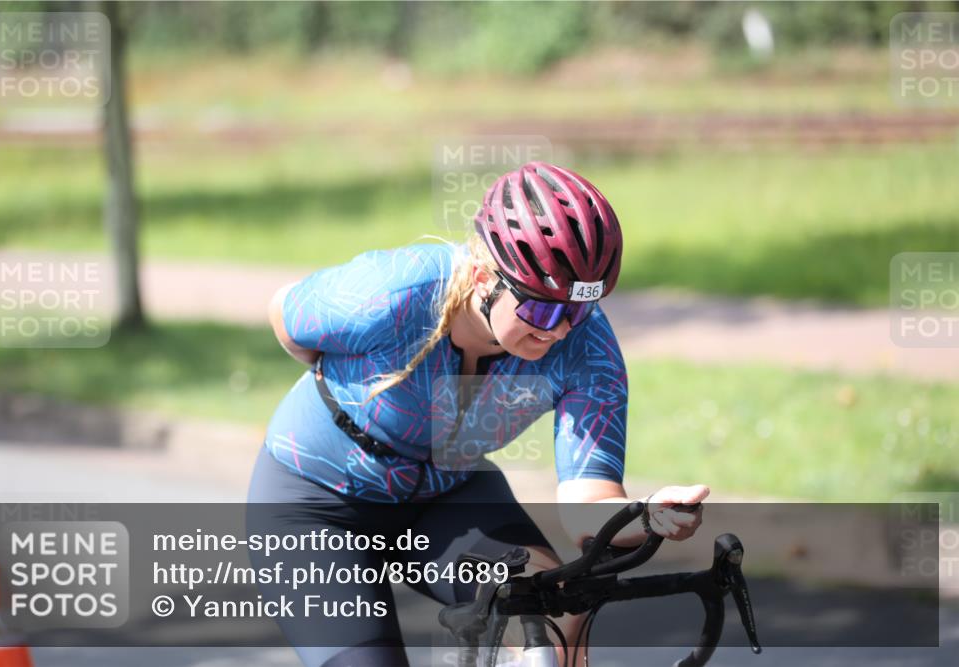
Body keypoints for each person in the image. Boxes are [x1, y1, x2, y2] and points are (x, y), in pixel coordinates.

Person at [247, 161, 709, 667]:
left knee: (552, 622)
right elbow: (285, 318)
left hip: (446, 495)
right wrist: (354, 392)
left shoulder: (588, 349)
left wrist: (646, 514)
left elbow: (586, 500)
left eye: (578, 311)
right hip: (315, 502)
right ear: (485, 278)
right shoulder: (391, 294)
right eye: (545, 310)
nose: (559, 331)